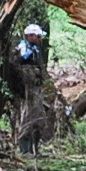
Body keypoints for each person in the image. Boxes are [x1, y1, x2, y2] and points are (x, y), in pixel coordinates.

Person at [10, 23, 51, 155]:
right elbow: (17, 65)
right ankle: (24, 149)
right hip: (27, 91)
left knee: (39, 119)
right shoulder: (23, 48)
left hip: (36, 89)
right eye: (37, 36)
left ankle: (35, 149)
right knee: (27, 118)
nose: (39, 39)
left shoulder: (36, 50)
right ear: (30, 36)